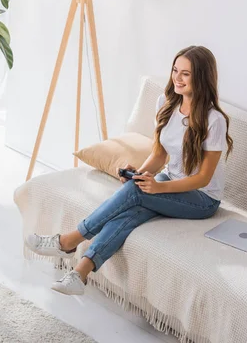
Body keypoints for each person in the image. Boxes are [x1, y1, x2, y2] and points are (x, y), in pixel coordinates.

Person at [25, 46, 233, 295]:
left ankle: (68, 240)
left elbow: (203, 178)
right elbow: (159, 155)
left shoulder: (214, 120)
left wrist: (157, 186)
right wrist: (140, 173)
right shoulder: (166, 103)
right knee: (131, 211)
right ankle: (79, 275)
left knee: (136, 193)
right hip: (170, 179)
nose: (177, 78)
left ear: (201, 77)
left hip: (203, 198)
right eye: (175, 70)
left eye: (185, 74)